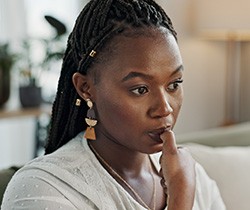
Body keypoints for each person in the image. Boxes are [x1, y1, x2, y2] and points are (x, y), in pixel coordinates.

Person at [1, 0, 226, 209]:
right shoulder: (42, 188)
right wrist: (181, 200)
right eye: (140, 89)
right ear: (85, 88)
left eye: (174, 84)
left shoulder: (190, 175)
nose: (164, 108)